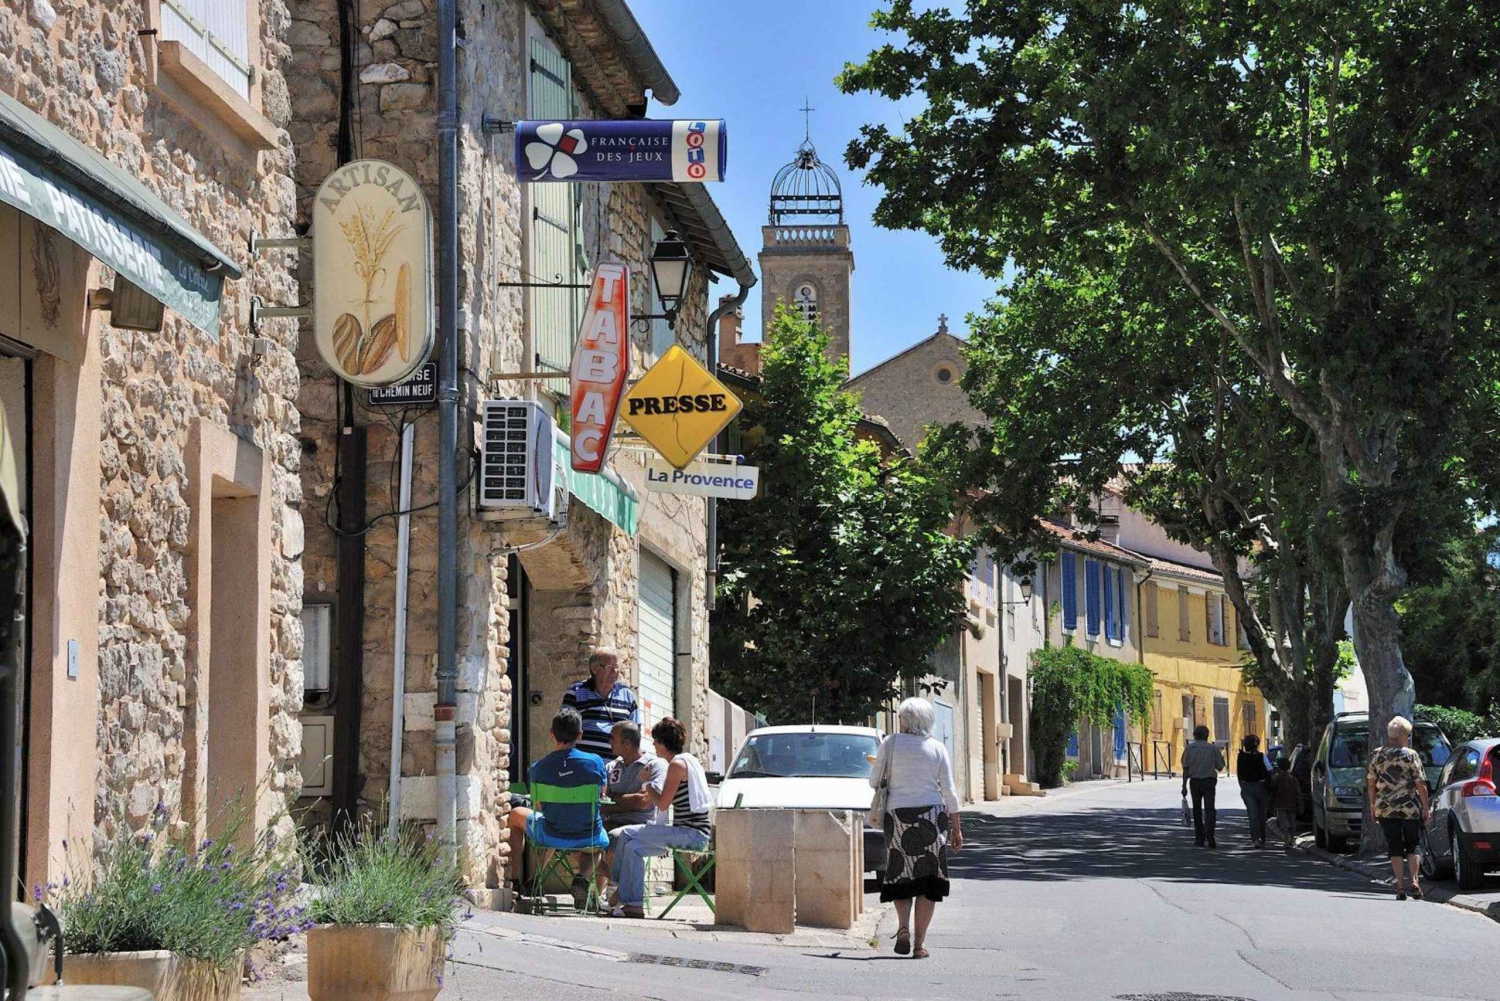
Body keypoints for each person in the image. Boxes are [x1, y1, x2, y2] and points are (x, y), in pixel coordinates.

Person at [871, 697, 963, 960]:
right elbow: (950, 791)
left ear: (907, 720)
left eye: (901, 717)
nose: (899, 722)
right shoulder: (937, 748)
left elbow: (873, 781)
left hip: (897, 816)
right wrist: (957, 829)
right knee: (928, 881)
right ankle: (920, 944)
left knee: (900, 873)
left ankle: (902, 929)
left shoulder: (890, 744)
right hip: (932, 819)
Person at [607, 718, 713, 919]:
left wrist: (646, 783)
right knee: (632, 847)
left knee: (627, 833)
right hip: (688, 832)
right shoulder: (685, 761)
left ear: (663, 742)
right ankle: (634, 905)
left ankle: (615, 887)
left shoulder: (677, 765)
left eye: (655, 741)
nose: (653, 746)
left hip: (691, 834)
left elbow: (662, 804)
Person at [504, 708, 609, 910]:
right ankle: (582, 878)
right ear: (580, 735)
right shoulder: (595, 762)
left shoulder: (539, 767)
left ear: (552, 734)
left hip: (551, 833)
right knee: (597, 845)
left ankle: (515, 879)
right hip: (588, 834)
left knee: (517, 814)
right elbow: (601, 795)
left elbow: (539, 805)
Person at [596, 720, 667, 896]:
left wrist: (614, 801)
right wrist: (628, 802)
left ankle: (614, 894)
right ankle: (596, 896)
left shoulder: (654, 765)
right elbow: (601, 804)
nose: (609, 742)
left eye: (612, 738)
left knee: (615, 837)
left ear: (626, 743)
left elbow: (645, 801)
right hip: (610, 822)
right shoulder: (612, 767)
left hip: (641, 825)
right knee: (580, 835)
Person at [1367, 715, 1432, 900]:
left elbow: (1371, 782)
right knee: (1413, 843)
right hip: (1409, 808)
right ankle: (1414, 880)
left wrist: (1372, 805)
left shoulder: (1377, 754)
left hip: (1385, 808)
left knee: (1394, 845)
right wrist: (1426, 808)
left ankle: (1400, 888)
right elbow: (1421, 784)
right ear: (1404, 735)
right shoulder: (1410, 755)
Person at [562, 648, 640, 762]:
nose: (615, 671)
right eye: (609, 667)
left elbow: (635, 734)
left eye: (617, 667)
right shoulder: (576, 691)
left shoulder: (627, 695)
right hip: (583, 766)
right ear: (594, 669)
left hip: (616, 770)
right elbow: (565, 730)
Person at [1181, 725, 1225, 848]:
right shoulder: (1213, 749)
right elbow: (1220, 767)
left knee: (1197, 810)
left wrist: (1184, 786)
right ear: (1207, 735)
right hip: (1209, 782)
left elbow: (1185, 768)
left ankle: (1199, 838)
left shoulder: (1189, 748)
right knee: (1210, 809)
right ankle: (1210, 834)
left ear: (1195, 735)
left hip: (1195, 782)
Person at [1237, 734, 1272, 848]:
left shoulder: (1240, 757)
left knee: (1252, 814)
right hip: (1261, 787)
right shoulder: (1261, 756)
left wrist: (1242, 786)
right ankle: (1262, 838)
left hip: (1247, 787)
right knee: (1262, 813)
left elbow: (1239, 774)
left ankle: (1255, 839)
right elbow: (1270, 770)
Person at [1269, 756, 1302, 849]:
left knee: (1284, 823)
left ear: (1279, 767)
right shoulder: (1293, 779)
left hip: (1280, 804)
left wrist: (1270, 804)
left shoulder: (1276, 778)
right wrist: (1300, 805)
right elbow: (1298, 793)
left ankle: (1287, 840)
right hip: (1292, 804)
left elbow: (1272, 791)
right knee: (1292, 823)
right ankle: (1291, 840)